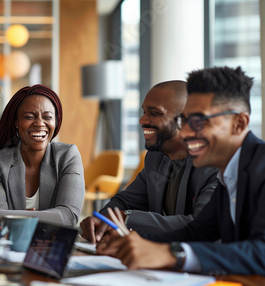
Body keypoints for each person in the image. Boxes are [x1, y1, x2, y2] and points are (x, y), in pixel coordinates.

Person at [98, 66, 265, 276]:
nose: (185, 133)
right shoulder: (230, 171)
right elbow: (198, 232)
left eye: (198, 122)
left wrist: (173, 254)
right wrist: (131, 245)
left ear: (239, 123)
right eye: (184, 121)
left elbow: (262, 252)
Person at [80, 81, 218, 244]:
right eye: (144, 112)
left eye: (154, 113)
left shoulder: (217, 164)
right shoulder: (155, 158)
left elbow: (201, 227)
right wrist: (102, 221)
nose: (142, 120)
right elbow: (123, 202)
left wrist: (127, 218)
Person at [0, 84, 85, 227]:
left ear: (56, 121)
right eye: (29, 117)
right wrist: (43, 216)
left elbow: (69, 216)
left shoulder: (68, 156)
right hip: (10, 244)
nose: (40, 123)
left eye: (48, 117)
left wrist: (20, 215)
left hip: (53, 245)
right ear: (16, 122)